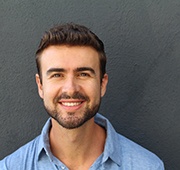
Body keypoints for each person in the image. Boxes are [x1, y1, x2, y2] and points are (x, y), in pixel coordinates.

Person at [0, 23, 164, 170]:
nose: (71, 89)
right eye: (57, 75)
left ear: (102, 84)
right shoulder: (11, 167)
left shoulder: (147, 166)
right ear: (40, 85)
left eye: (83, 74)